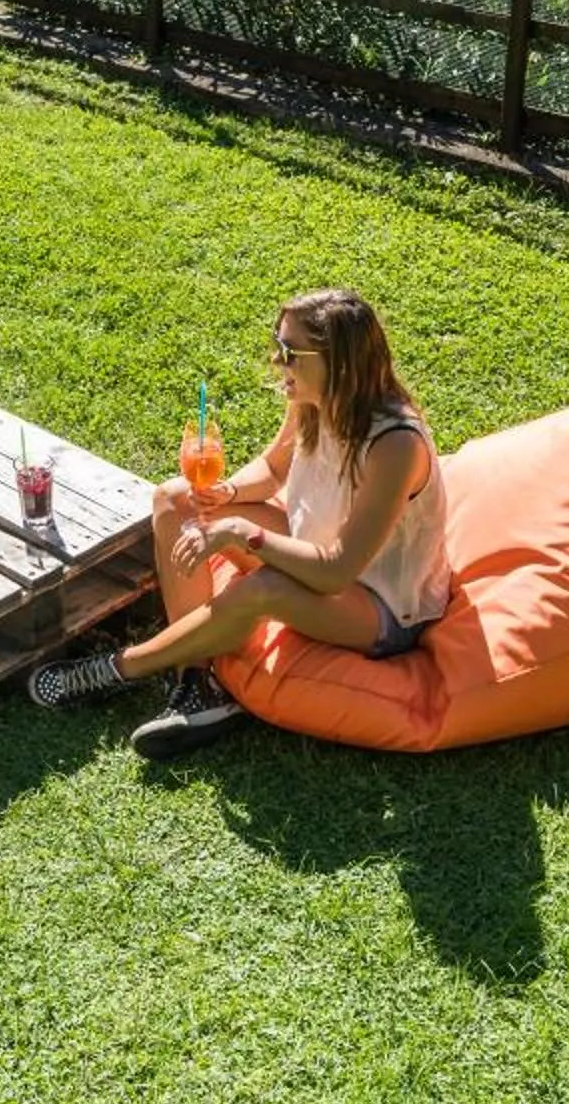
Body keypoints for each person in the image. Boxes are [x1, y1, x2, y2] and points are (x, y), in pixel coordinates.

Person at [27, 288, 453, 760]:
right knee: (175, 500)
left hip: (382, 605)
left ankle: (118, 669)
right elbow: (272, 469)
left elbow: (335, 571)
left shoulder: (394, 445)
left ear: (341, 363)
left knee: (264, 587)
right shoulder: (315, 401)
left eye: (290, 353)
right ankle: (198, 681)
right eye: (277, 344)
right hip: (311, 549)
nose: (277, 361)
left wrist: (238, 531)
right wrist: (225, 496)